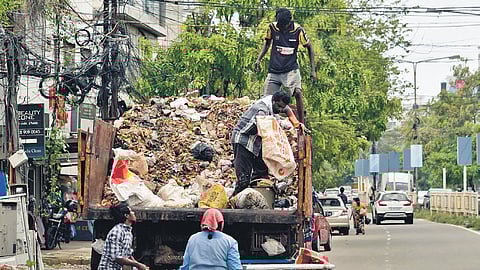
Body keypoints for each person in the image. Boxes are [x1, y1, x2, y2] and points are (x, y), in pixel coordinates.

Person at [231, 91, 300, 196]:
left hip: (255, 142)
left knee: (261, 173)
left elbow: (277, 120)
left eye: (283, 108)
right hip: (243, 140)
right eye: (280, 107)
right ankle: (235, 202)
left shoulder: (273, 108)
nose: (281, 110)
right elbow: (264, 128)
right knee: (243, 179)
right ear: (274, 101)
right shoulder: (261, 109)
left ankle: (259, 196)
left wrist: (294, 125)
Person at [255, 8, 316, 123]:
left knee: (294, 93)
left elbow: (309, 47)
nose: (281, 27)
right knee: (266, 99)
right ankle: (269, 120)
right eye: (279, 24)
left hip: (290, 70)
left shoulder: (298, 31)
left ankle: (301, 123)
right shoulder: (272, 28)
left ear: (289, 23)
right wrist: (259, 59)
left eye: (283, 25)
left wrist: (313, 70)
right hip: (274, 70)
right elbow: (267, 43)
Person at [98, 202, 149, 270]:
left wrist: (138, 266)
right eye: (131, 211)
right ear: (126, 215)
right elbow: (116, 257)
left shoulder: (128, 231)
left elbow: (127, 254)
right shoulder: (117, 231)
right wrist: (138, 265)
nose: (134, 213)